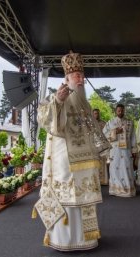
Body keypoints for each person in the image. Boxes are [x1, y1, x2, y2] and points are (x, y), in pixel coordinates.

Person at [36, 51, 111, 251]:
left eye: (81, 76)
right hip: (63, 160)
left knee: (84, 196)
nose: (80, 79)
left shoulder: (84, 102)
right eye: (76, 76)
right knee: (66, 197)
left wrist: (100, 149)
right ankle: (64, 240)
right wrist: (58, 102)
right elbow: (44, 120)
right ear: (66, 79)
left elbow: (91, 129)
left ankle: (86, 238)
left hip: (85, 160)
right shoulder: (53, 97)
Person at [103, 104, 137, 197]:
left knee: (127, 168)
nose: (120, 112)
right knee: (115, 169)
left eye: (122, 110)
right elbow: (103, 135)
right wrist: (114, 132)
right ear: (115, 111)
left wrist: (134, 150)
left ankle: (127, 189)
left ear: (124, 110)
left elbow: (133, 137)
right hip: (115, 150)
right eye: (118, 111)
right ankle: (116, 189)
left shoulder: (130, 122)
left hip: (127, 150)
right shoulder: (110, 122)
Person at [92, 108, 109, 185]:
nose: (96, 115)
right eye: (95, 113)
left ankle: (103, 180)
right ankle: (95, 180)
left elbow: (107, 135)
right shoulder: (90, 123)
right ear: (92, 114)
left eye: (98, 113)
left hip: (102, 146)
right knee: (94, 162)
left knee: (103, 162)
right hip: (93, 146)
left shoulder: (104, 123)